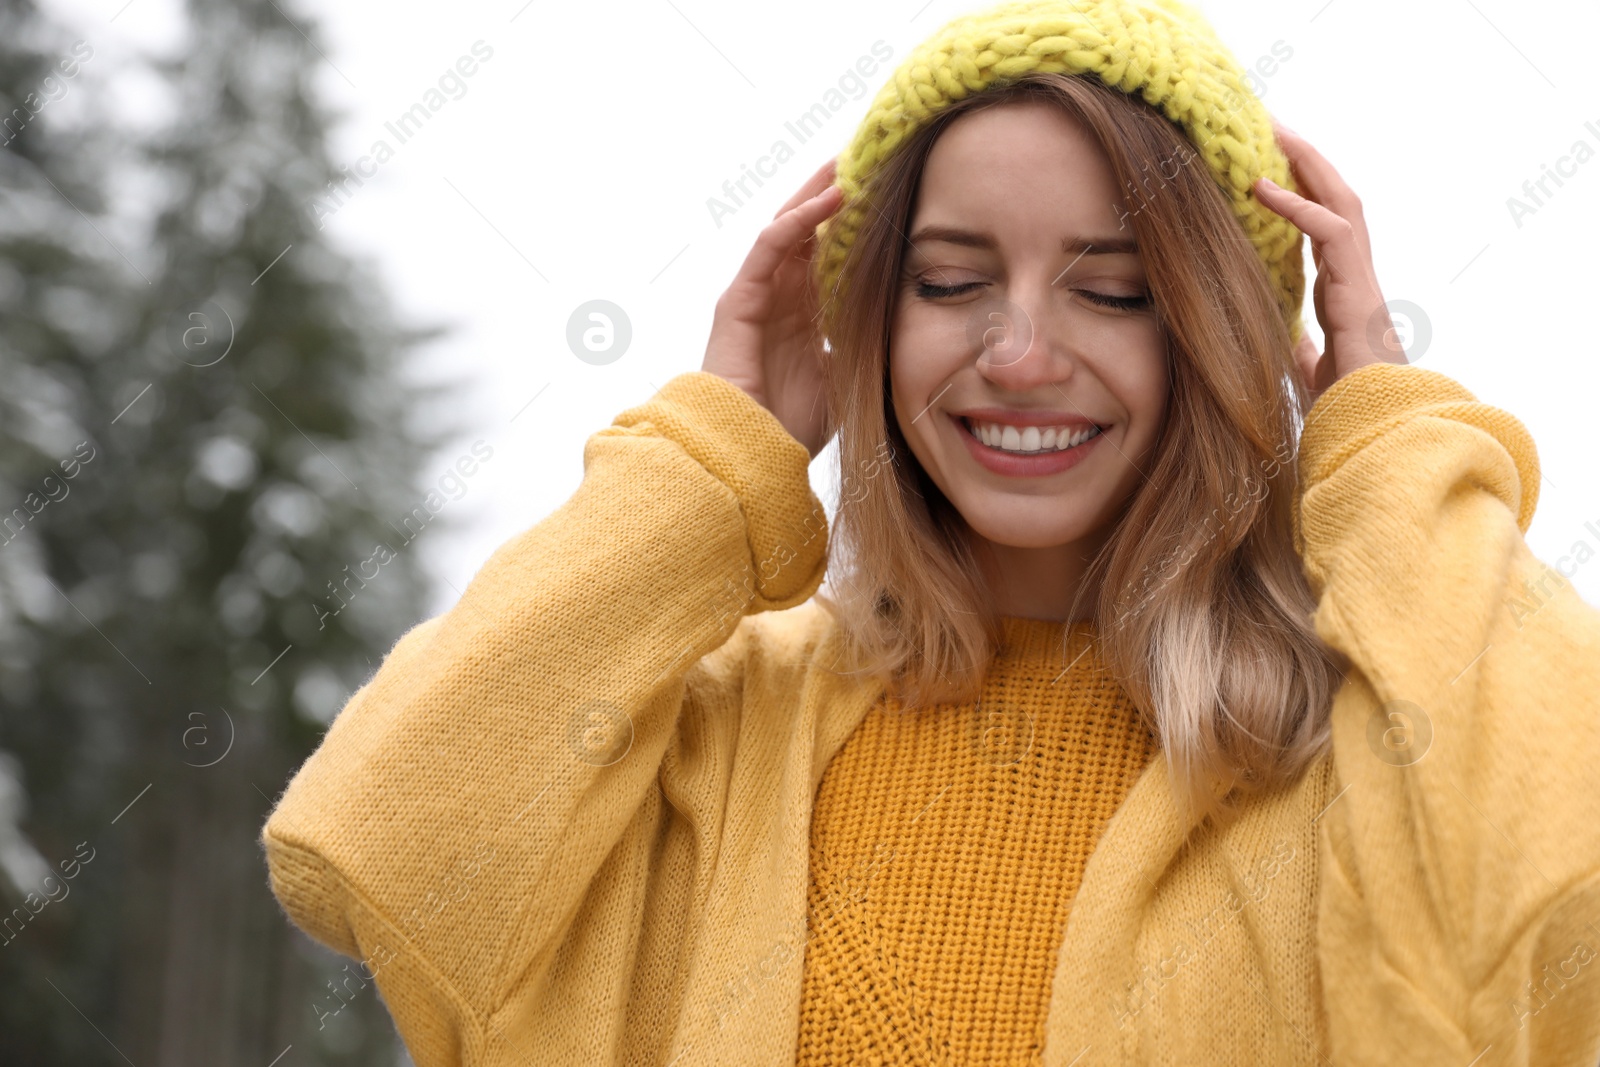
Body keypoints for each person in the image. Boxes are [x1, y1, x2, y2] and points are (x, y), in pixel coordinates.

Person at [260, 0, 1600, 1063]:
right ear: (877, 324)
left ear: (1215, 335)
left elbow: (1566, 855)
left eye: (1116, 291)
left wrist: (1380, 430)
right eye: (952, 281)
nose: (1020, 353)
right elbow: (371, 849)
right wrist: (719, 465)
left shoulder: (1360, 749)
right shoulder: (723, 733)